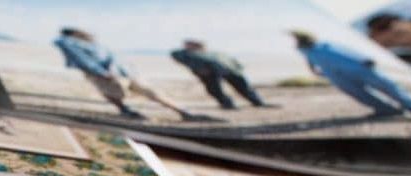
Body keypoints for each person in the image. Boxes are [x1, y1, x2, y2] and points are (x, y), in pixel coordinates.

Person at [54, 28, 198, 121]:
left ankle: (182, 111)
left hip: (123, 71)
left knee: (149, 91)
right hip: (103, 73)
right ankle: (124, 110)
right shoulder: (68, 41)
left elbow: (113, 57)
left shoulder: (93, 43)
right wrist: (101, 72)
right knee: (113, 92)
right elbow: (81, 58)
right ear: (73, 33)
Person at [289, 30, 411, 120]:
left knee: (389, 88)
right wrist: (317, 72)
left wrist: (364, 59)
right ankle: (387, 110)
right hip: (337, 76)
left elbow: (346, 51)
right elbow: (310, 63)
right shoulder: (305, 51)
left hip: (357, 68)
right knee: (359, 94)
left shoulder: (325, 45)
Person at [171, 39, 270, 109]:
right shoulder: (186, 54)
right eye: (189, 44)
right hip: (210, 73)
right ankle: (227, 104)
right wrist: (200, 69)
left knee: (243, 87)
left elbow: (230, 60)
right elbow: (175, 54)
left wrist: (238, 67)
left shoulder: (213, 52)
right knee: (214, 90)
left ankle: (258, 102)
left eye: (194, 44)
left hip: (229, 70)